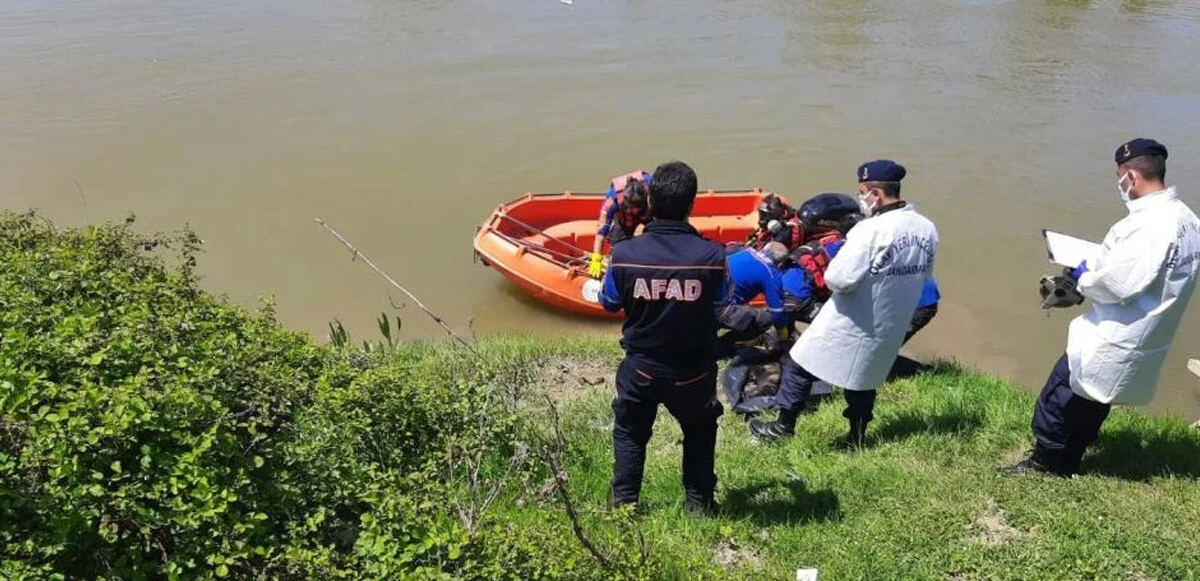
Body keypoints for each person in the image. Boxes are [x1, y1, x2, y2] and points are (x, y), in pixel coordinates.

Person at [1003, 138, 1200, 477]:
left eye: (1120, 175)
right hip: (1146, 332)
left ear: (1131, 176)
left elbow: (1118, 284)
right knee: (1094, 398)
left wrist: (1082, 279)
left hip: (1114, 332)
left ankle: (1046, 464)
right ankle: (1071, 456)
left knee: (1060, 395)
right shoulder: (1188, 220)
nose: (1120, 183)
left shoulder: (1149, 225)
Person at [750, 160, 939, 447]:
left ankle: (783, 426)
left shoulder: (869, 231)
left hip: (855, 312)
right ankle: (857, 437)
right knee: (865, 375)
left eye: (863, 191)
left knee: (801, 361)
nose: (861, 198)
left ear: (876, 193)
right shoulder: (926, 228)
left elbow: (839, 279)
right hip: (893, 313)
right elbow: (923, 273)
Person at [597, 160, 728, 516]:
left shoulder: (623, 256)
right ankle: (698, 506)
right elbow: (723, 304)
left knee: (629, 434)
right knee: (700, 434)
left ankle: (624, 507)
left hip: (641, 370)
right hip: (694, 373)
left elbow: (609, 302)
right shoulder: (714, 257)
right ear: (692, 205)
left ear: (650, 201)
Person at [717, 242, 791, 357]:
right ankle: (719, 348)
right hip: (723, 309)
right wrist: (783, 336)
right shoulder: (771, 273)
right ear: (780, 262)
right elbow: (777, 314)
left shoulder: (742, 250)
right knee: (766, 320)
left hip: (704, 299)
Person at [588, 171, 652, 278]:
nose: (634, 212)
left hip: (647, 211)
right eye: (632, 208)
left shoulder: (651, 186)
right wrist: (596, 258)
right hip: (625, 217)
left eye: (636, 209)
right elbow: (601, 231)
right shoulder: (612, 201)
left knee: (658, 230)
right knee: (617, 241)